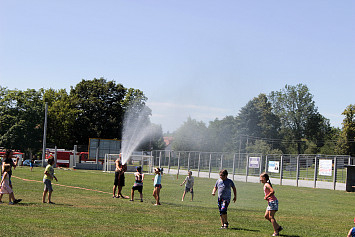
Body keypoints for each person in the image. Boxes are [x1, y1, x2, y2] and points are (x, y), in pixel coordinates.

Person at [260, 172, 283, 236]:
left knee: (271, 216)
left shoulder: (267, 184)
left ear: (264, 178)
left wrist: (267, 196)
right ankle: (278, 227)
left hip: (273, 202)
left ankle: (276, 232)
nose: (260, 179)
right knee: (266, 216)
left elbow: (272, 191)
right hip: (270, 202)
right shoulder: (266, 184)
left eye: (261, 178)